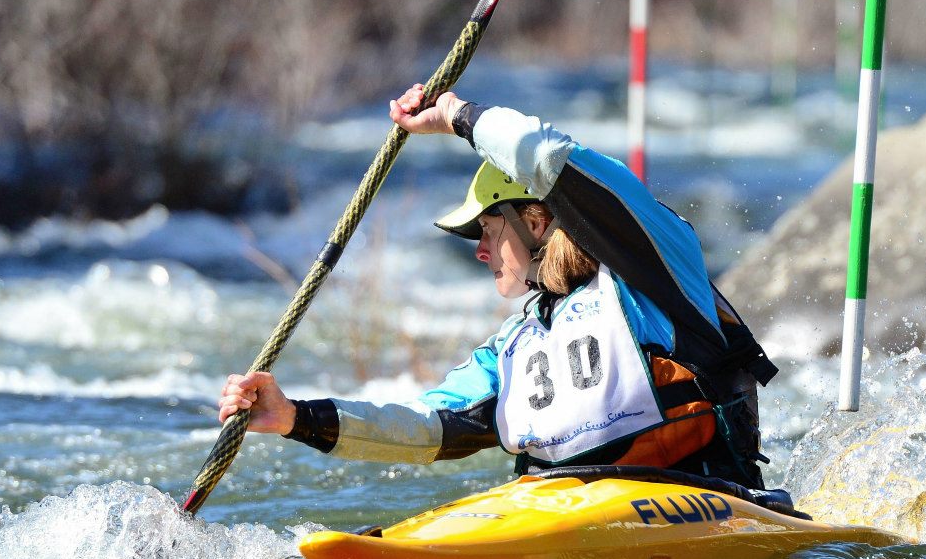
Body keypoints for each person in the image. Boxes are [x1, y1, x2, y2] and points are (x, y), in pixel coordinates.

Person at [218, 84, 778, 488]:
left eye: (487, 230)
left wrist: (459, 116)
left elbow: (554, 157)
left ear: (535, 221)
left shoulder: (654, 272)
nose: (481, 251)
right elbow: (426, 427)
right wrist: (295, 417)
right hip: (564, 513)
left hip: (704, 500)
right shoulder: (515, 347)